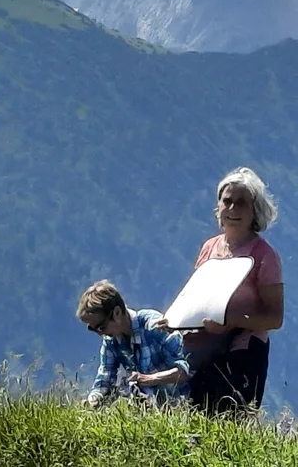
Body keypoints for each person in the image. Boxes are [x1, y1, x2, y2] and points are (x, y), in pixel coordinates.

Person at [157, 166, 285, 416]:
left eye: (241, 203)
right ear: (219, 206)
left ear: (254, 210)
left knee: (230, 423)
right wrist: (175, 321)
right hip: (204, 351)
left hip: (244, 353)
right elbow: (196, 298)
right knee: (197, 423)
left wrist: (230, 322)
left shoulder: (264, 256)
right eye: (227, 201)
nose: (233, 209)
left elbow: (275, 318)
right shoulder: (209, 248)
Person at [76, 279, 193, 408]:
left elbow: (183, 372)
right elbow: (105, 378)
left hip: (180, 404)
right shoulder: (111, 340)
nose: (99, 333)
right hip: (148, 410)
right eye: (92, 329)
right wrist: (93, 400)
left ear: (117, 313)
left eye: (101, 327)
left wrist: (149, 379)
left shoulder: (154, 326)